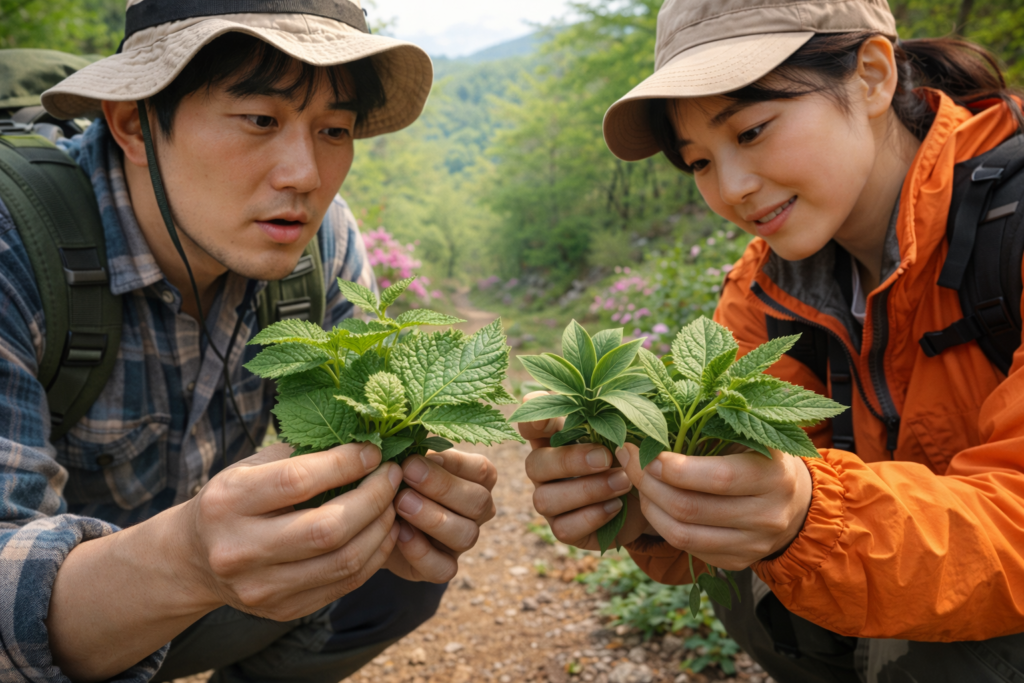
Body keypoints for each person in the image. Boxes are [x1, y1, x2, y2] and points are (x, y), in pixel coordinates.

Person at [519, 0, 1024, 680]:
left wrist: (810, 512)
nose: (731, 189)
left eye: (752, 131)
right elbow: (749, 486)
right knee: (744, 565)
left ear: (872, 76)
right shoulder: (768, 286)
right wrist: (646, 496)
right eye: (699, 161)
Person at [0, 1, 499, 681]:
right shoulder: (15, 245)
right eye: (260, 119)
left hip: (201, 600)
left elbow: (364, 445)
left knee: (388, 572)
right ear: (134, 123)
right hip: (61, 625)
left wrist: (407, 498)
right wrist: (184, 560)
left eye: (334, 129)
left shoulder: (319, 240)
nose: (305, 175)